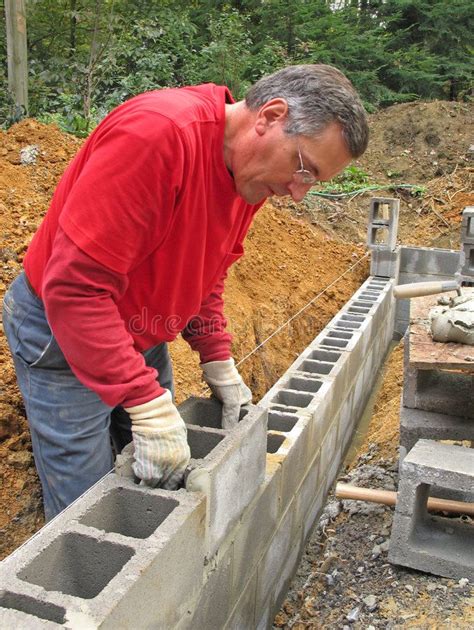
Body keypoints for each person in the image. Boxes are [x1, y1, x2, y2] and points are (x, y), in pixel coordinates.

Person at [2, 64, 368, 520]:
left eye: (314, 182)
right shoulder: (158, 137)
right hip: (64, 333)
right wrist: (146, 403)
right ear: (271, 115)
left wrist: (216, 355)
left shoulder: (247, 178)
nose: (298, 193)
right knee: (87, 508)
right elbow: (75, 289)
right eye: (304, 169)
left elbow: (207, 271)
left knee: (160, 468)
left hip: (144, 329)